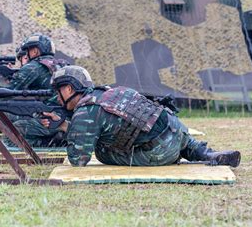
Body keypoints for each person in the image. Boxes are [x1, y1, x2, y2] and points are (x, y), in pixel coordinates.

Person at [42, 65, 241, 167]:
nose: (57, 98)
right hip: (177, 131)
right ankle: (206, 154)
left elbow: (78, 160)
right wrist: (64, 126)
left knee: (101, 151)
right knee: (177, 140)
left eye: (58, 91)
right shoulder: (109, 92)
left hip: (157, 153)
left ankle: (169, 157)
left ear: (68, 88)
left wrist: (70, 130)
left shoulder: (85, 112)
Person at [5, 33, 69, 147]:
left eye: (28, 50)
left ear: (34, 51)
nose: (27, 54)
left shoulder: (33, 66)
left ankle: (52, 143)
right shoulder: (60, 64)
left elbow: (8, 91)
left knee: (13, 131)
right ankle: (57, 137)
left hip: (53, 118)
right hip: (64, 115)